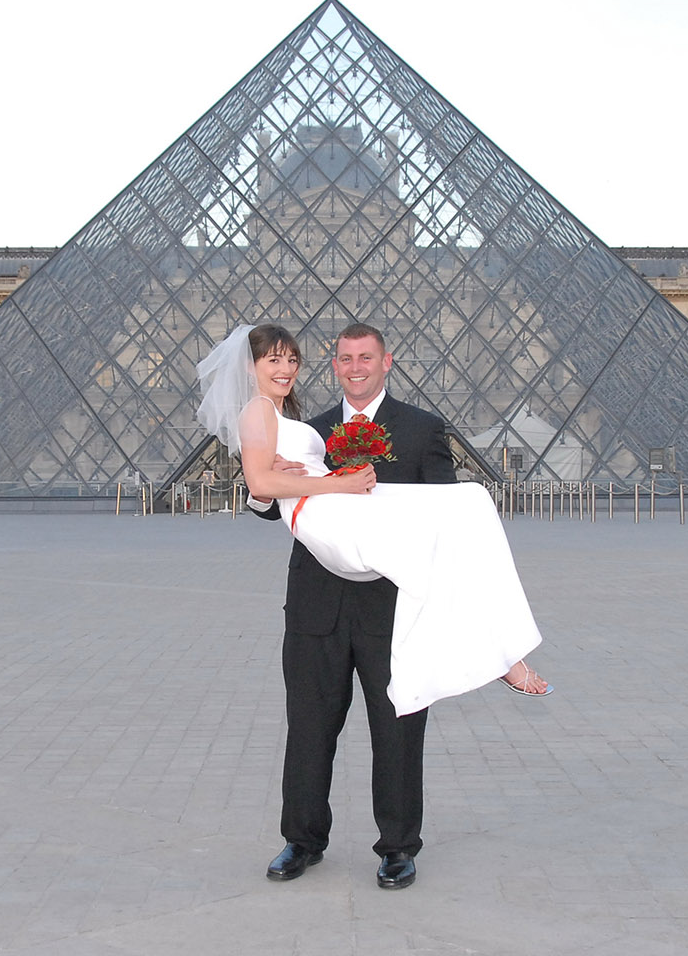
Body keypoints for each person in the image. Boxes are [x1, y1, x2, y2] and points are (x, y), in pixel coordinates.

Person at [196, 323, 547, 891]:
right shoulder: (308, 427)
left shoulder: (423, 428)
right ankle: (301, 840)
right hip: (317, 603)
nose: (354, 367)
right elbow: (266, 502)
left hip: (392, 605)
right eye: (344, 359)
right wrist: (264, 488)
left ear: (387, 362)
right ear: (334, 366)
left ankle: (399, 847)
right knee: (308, 730)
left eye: (365, 357)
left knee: (399, 730)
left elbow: (437, 513)